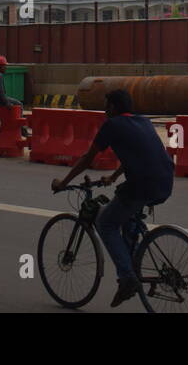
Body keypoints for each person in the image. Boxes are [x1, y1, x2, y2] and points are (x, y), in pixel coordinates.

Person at [52, 89, 174, 308]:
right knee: (127, 218)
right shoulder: (143, 122)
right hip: (164, 182)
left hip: (141, 185)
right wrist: (114, 176)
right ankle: (135, 265)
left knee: (105, 223)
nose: (105, 109)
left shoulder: (112, 125)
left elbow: (88, 158)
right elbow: (138, 155)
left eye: (107, 105)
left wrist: (63, 182)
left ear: (114, 107)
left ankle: (127, 279)